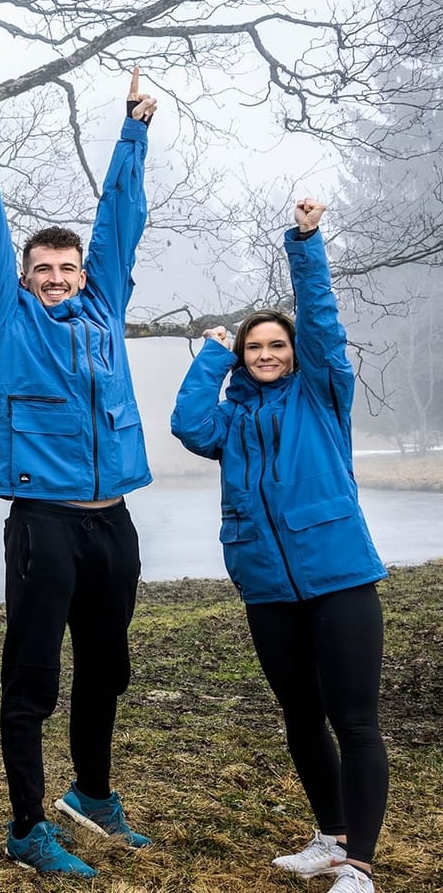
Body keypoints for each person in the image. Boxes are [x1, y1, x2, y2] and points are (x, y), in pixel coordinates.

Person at [0, 67, 158, 876]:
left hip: (114, 519)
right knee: (34, 675)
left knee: (108, 666)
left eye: (67, 268)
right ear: (28, 275)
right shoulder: (6, 319)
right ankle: (25, 825)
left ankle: (94, 796)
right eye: (44, 268)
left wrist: (134, 131)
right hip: (44, 523)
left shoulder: (104, 309)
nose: (58, 277)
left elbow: (121, 223)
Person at [171, 198, 387, 893]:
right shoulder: (229, 421)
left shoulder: (321, 393)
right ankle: (330, 836)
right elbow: (186, 424)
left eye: (275, 346)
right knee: (300, 716)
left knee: (353, 720)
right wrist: (210, 355)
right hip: (266, 586)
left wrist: (306, 244)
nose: (265, 355)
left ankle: (360, 865)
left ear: (293, 354)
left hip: (339, 578)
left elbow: (321, 320)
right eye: (253, 348)